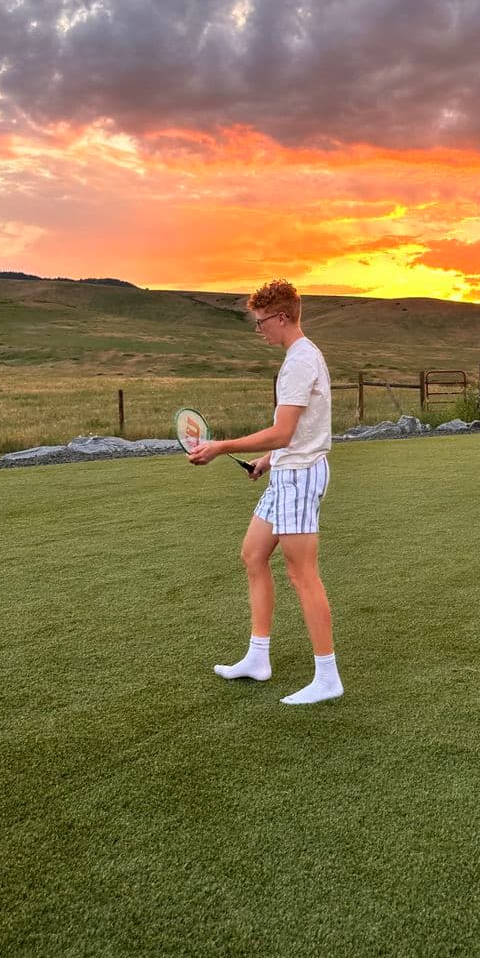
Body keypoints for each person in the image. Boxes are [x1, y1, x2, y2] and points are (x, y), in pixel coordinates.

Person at [187, 279, 343, 705]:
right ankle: (258, 658)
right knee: (253, 554)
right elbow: (299, 432)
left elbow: (285, 430)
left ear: (281, 317)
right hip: (286, 469)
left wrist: (222, 447)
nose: (259, 331)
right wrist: (268, 460)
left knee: (302, 574)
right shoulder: (303, 356)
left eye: (260, 323)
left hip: (300, 476)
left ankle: (327, 676)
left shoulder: (299, 361)